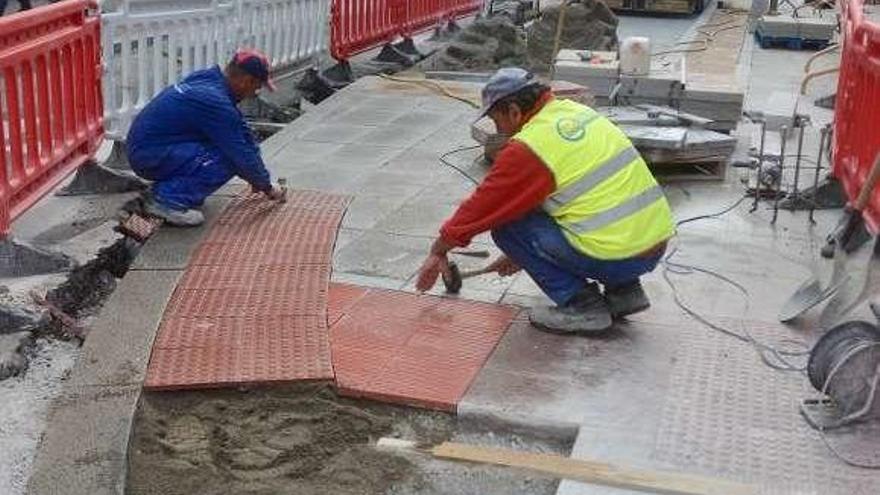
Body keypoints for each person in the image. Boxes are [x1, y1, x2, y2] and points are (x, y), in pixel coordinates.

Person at [416, 67, 676, 335]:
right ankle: (625, 292)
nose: (499, 130)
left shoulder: (529, 147)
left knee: (508, 228)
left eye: (497, 121)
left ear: (515, 111)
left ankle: (583, 307)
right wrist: (524, 255)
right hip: (653, 245)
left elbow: (481, 209)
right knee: (573, 213)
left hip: (616, 256)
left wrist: (438, 250)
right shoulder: (579, 114)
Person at [126, 49, 285, 226]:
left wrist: (259, 179)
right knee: (229, 158)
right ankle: (166, 200)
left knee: (228, 149)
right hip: (150, 155)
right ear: (246, 81)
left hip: (150, 147)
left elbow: (240, 130)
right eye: (256, 88)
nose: (254, 93)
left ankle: (178, 189)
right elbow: (240, 153)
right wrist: (267, 187)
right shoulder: (215, 103)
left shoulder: (209, 79)